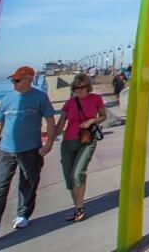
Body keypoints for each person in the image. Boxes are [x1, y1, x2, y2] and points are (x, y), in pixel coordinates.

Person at [0, 66, 56, 241]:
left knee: (27, 183)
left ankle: (23, 215)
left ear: (29, 79)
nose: (14, 83)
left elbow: (50, 120)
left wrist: (48, 143)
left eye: (18, 80)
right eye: (13, 80)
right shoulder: (6, 100)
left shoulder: (40, 98)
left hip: (31, 150)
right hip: (6, 151)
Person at [56, 73, 106, 222]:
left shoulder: (96, 99)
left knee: (78, 174)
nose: (79, 90)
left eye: (82, 87)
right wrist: (49, 142)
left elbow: (103, 116)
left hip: (86, 140)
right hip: (68, 142)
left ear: (88, 87)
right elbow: (61, 123)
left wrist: (91, 121)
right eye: (76, 88)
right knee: (69, 178)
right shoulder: (70, 103)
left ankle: (80, 207)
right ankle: (77, 207)